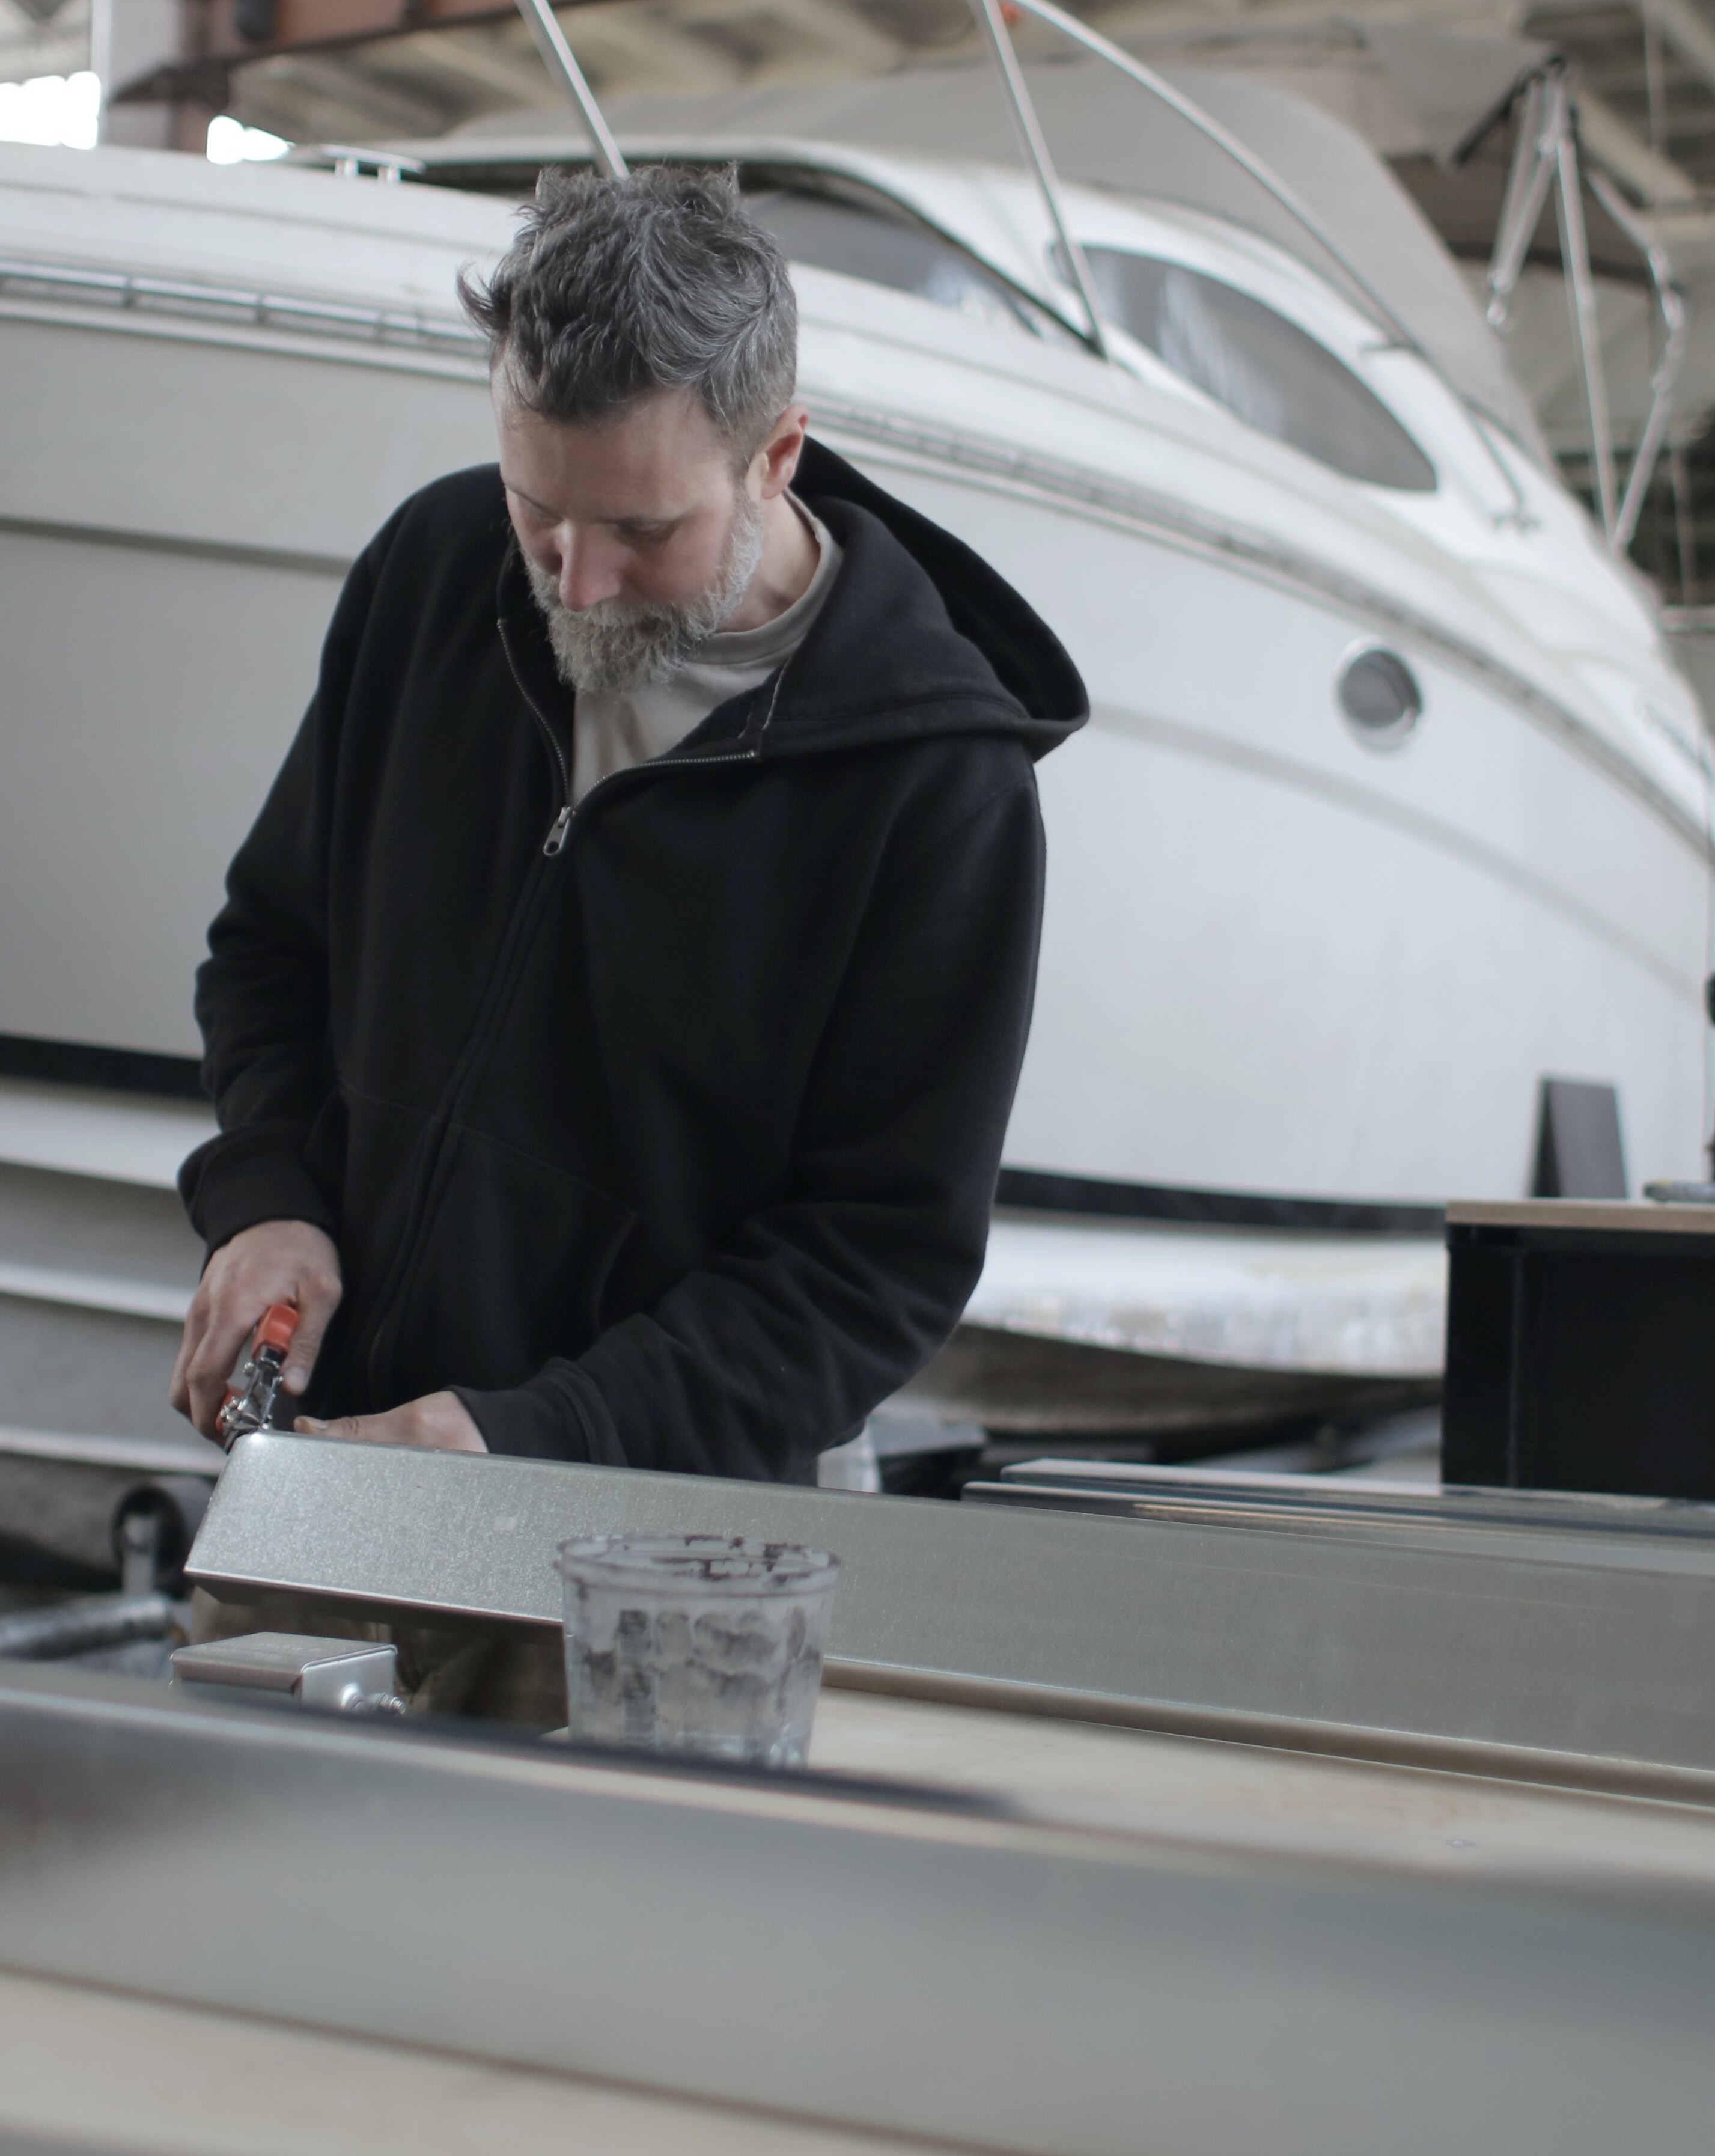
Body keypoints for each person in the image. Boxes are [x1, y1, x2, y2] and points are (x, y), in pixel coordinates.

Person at [169, 165, 1083, 1478]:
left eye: (642, 529)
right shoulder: (431, 575)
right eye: (537, 510)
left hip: (662, 1548)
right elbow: (271, 954)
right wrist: (269, 1203)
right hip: (327, 1464)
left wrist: (532, 1435)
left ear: (777, 454)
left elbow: (877, 1259)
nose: (581, 584)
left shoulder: (938, 783)